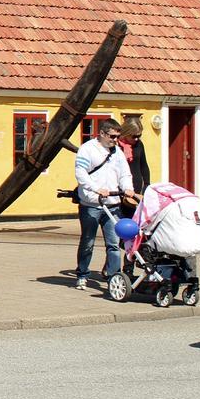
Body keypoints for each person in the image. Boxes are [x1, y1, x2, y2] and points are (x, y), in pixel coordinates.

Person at [72, 119, 134, 291]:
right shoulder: (88, 149)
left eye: (118, 136)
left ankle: (114, 278)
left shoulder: (118, 152)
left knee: (114, 244)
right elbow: (81, 173)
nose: (115, 140)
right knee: (88, 241)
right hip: (91, 204)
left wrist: (128, 188)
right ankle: (82, 274)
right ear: (102, 133)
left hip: (112, 204)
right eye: (113, 136)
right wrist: (96, 189)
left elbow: (124, 174)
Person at [118, 120, 151, 193]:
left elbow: (144, 165)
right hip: (119, 186)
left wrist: (146, 184)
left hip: (136, 186)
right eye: (134, 136)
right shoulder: (116, 145)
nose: (136, 139)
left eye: (139, 136)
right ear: (126, 133)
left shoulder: (139, 144)